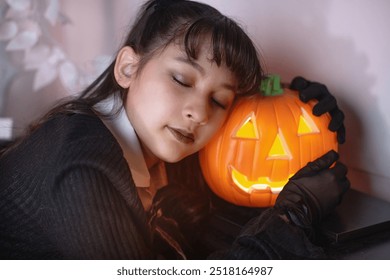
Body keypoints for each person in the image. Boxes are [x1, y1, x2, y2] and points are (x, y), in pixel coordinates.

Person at [0, 0, 349, 259]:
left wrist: (293, 102)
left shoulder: (160, 156)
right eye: (182, 80)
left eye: (218, 101)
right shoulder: (82, 167)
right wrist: (291, 216)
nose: (198, 112)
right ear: (127, 68)